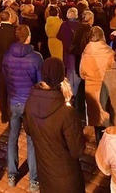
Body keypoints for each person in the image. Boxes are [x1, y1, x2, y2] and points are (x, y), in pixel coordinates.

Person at [23, 57, 84, 193]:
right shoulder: (66, 112)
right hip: (67, 179)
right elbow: (77, 150)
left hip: (45, 174)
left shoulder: (30, 102)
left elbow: (28, 130)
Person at [2, 25, 42, 190]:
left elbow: (5, 78)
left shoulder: (7, 56)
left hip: (14, 101)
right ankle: (33, 180)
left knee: (12, 137)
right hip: (30, 102)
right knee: (31, 140)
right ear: (28, 37)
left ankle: (12, 174)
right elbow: (40, 82)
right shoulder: (35, 58)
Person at [80, 26, 115, 143]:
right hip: (106, 89)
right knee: (107, 119)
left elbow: (82, 74)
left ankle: (99, 145)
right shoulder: (110, 53)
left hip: (90, 89)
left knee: (96, 119)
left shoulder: (85, 52)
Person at [0, 9, 17, 123]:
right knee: (12, 87)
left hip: (0, 61)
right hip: (12, 63)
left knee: (2, 87)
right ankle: (12, 111)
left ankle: (4, 113)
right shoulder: (13, 31)